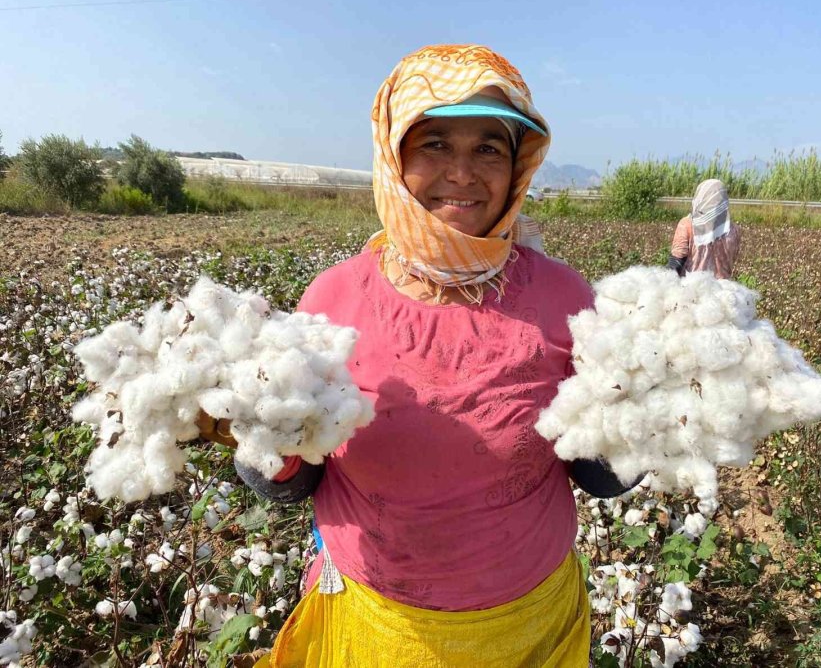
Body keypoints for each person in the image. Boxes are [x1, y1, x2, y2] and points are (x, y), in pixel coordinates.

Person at [198, 44, 633, 667]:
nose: (464, 171)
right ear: (394, 159)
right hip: (377, 623)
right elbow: (299, 483)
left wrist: (653, 409)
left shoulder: (566, 297)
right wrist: (258, 438)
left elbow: (597, 475)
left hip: (526, 626)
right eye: (435, 144)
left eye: (489, 147)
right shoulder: (333, 297)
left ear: (518, 166)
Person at [668, 178, 741, 279]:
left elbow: (676, 264)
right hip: (723, 290)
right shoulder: (733, 230)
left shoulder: (687, 225)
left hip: (694, 290)